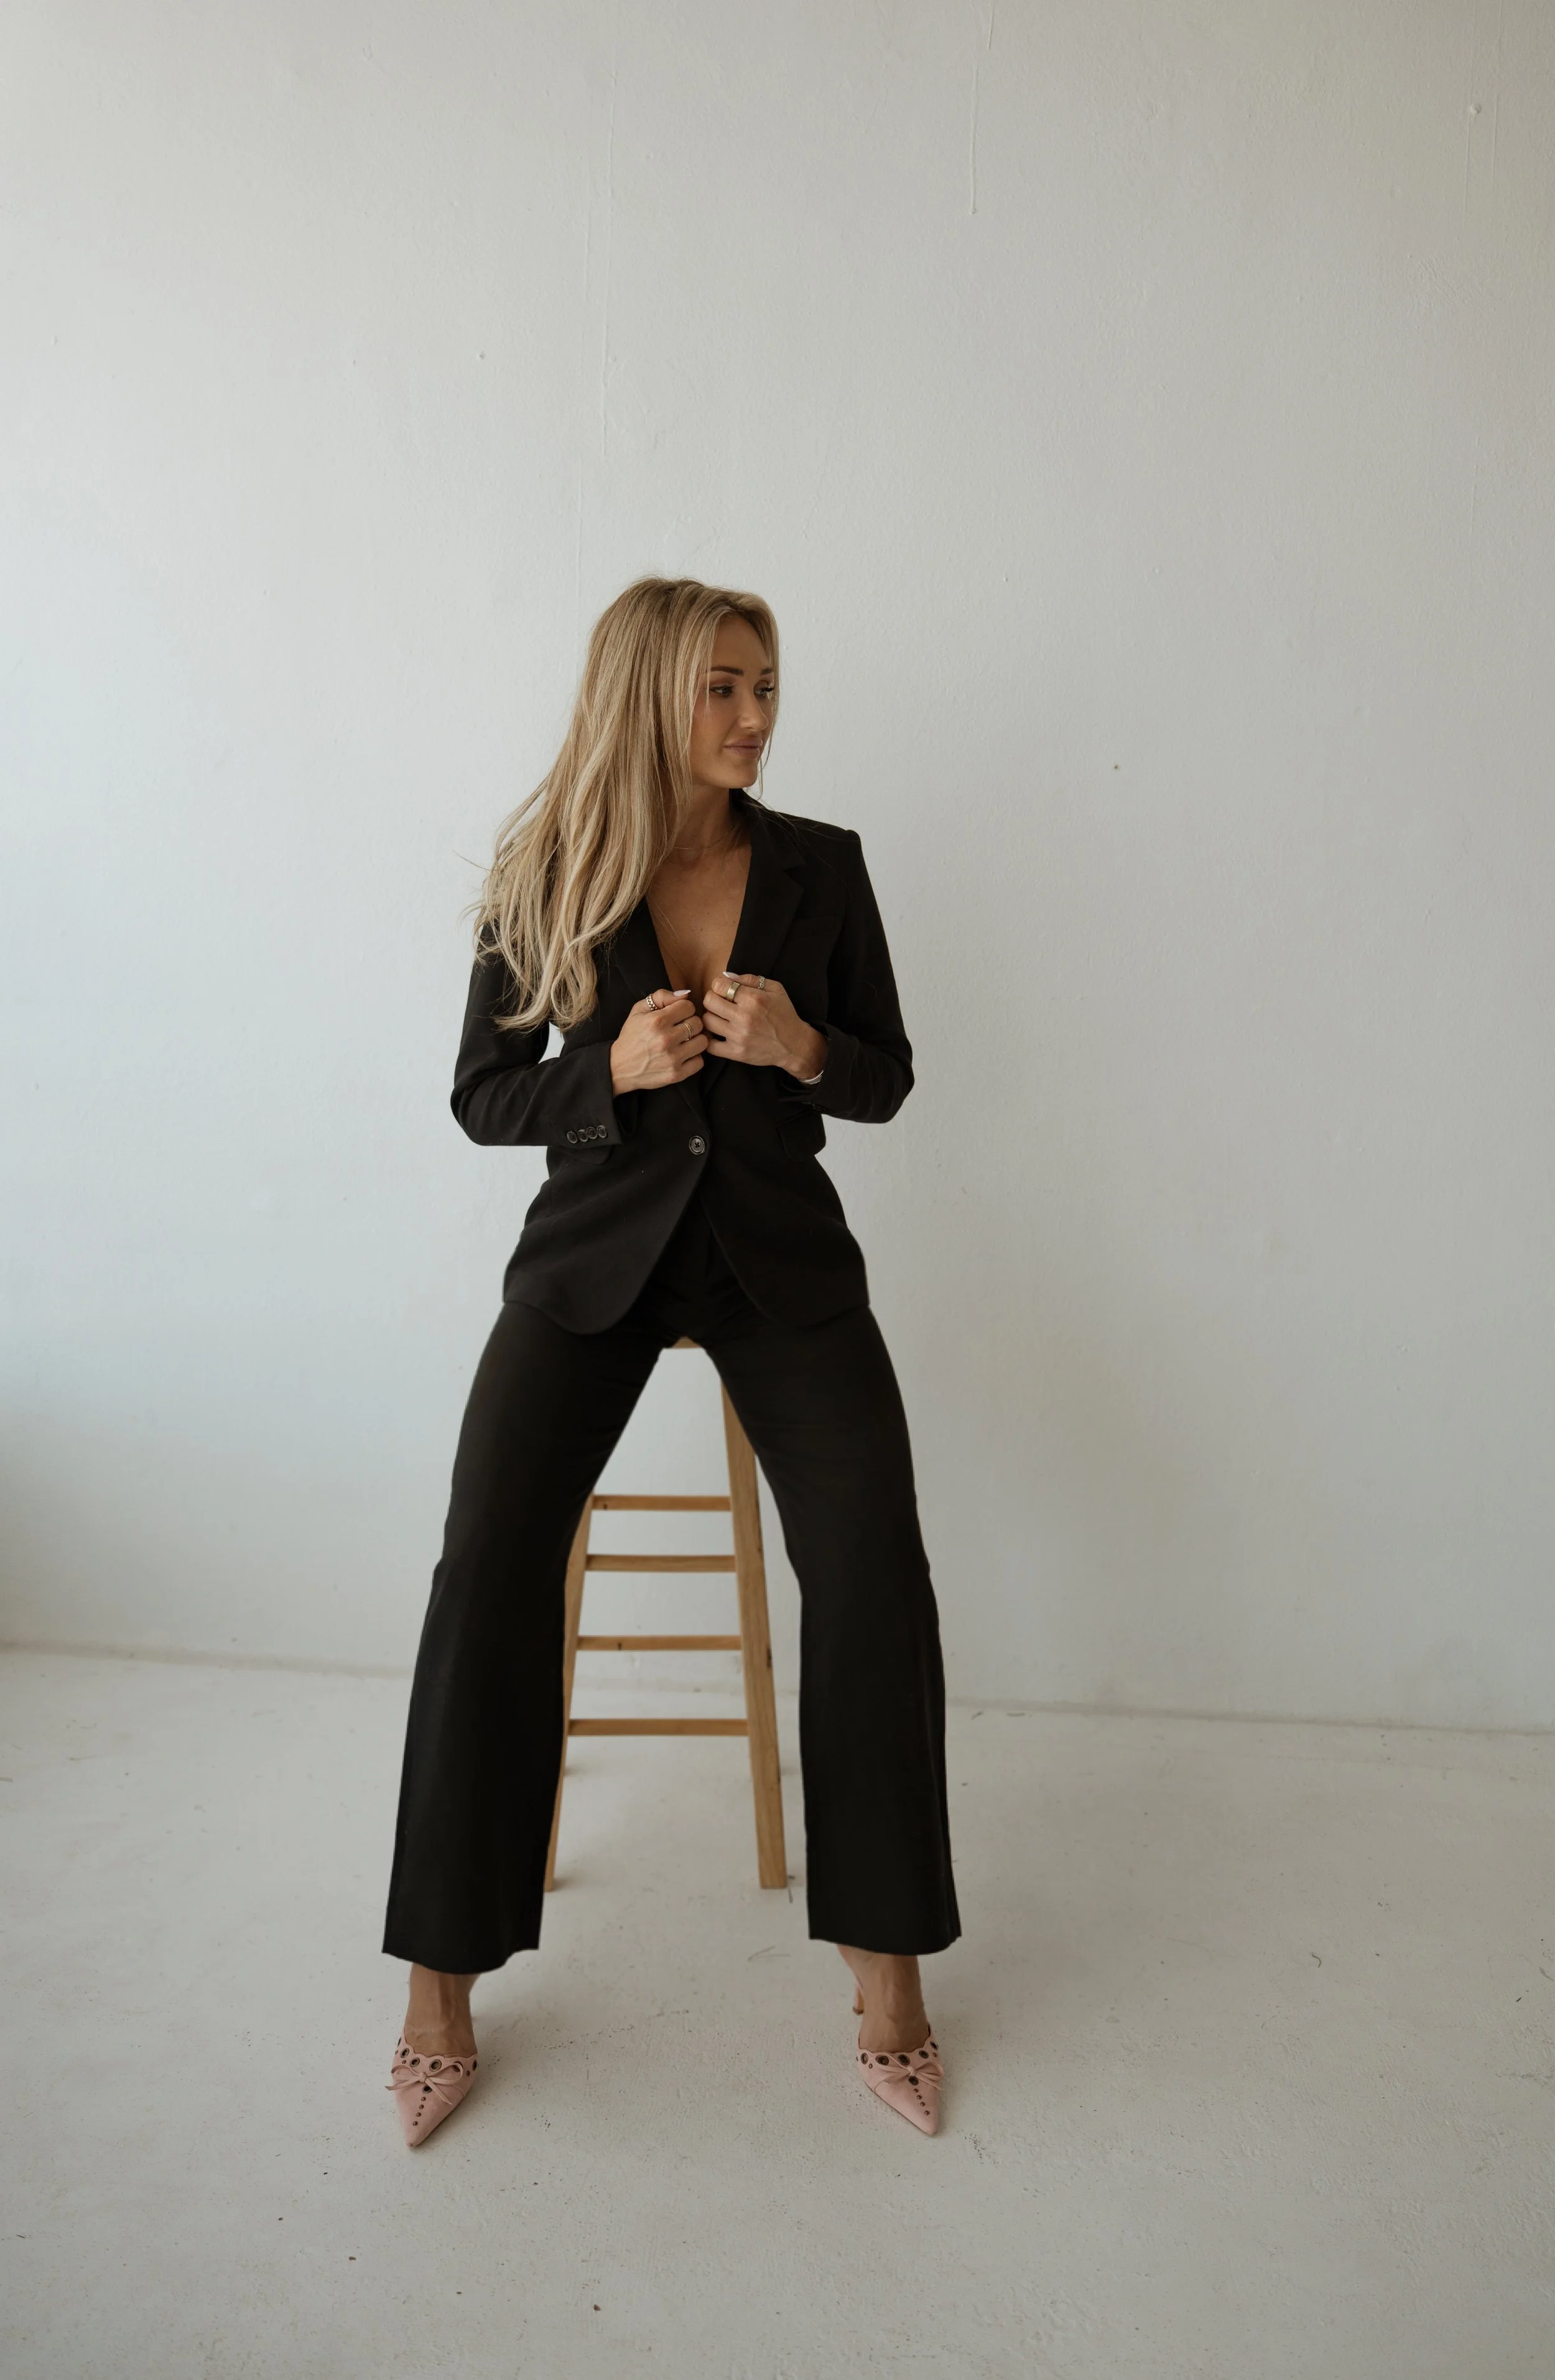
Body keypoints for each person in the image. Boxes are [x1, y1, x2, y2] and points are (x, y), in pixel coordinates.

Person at [382, 575, 959, 2144]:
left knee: (870, 1568)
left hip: (780, 1266)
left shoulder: (821, 869)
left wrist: (803, 1050)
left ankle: (889, 1975)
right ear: (650, 691)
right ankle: (439, 1988)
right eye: (720, 686)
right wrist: (607, 1075)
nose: (754, 716)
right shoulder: (549, 864)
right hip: (592, 1268)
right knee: (485, 1560)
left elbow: (887, 1075)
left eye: (764, 685)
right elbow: (480, 1095)